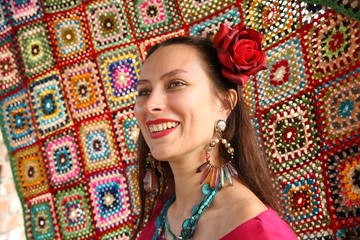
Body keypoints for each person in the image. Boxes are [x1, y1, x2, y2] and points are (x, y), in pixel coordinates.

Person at [133, 23, 297, 240]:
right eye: (144, 91)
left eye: (175, 84)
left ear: (225, 104)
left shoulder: (259, 232)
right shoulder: (164, 212)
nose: (151, 104)